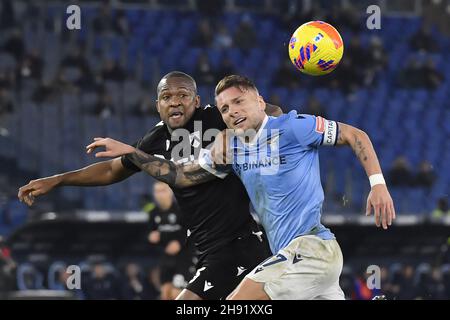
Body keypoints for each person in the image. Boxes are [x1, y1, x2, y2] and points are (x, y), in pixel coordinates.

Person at [88, 75, 395, 300]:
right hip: (292, 257)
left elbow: (356, 136)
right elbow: (180, 175)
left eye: (238, 101)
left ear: (260, 102)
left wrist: (377, 185)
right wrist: (133, 153)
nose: (231, 111)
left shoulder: (292, 127)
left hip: (311, 249)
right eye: (223, 108)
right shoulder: (231, 150)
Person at [18, 71, 279, 300]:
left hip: (238, 242)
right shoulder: (156, 139)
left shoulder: (215, 117)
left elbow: (273, 112)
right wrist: (58, 179)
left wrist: (229, 132)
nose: (175, 101)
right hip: (203, 248)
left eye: (183, 95)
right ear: (158, 105)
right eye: (167, 97)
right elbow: (111, 169)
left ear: (197, 101)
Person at [147, 181, 195, 300]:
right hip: (166, 259)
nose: (160, 194)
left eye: (163, 190)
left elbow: (191, 231)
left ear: (170, 192)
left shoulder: (181, 209)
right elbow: (152, 236)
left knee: (176, 294)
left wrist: (179, 242)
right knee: (165, 294)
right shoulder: (153, 213)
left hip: (184, 258)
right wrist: (151, 238)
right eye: (157, 191)